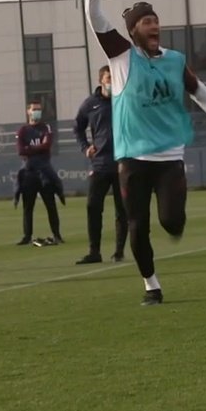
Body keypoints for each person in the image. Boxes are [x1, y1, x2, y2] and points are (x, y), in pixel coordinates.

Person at [87, 0, 206, 306]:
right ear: (134, 30)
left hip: (169, 156)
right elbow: (94, 16)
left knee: (172, 223)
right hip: (132, 158)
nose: (154, 26)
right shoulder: (121, 58)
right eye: (146, 22)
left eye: (156, 20)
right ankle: (151, 285)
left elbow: (198, 90)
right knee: (138, 227)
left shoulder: (172, 59)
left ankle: (172, 225)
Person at [72, 65, 128, 264]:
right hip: (100, 163)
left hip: (123, 163)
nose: (112, 81)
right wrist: (85, 147)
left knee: (122, 209)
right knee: (93, 206)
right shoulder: (90, 104)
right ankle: (94, 251)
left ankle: (119, 250)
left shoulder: (124, 98)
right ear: (101, 81)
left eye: (114, 77)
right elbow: (78, 127)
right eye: (108, 77)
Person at [14, 100, 65, 246]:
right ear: (28, 112)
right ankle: (27, 236)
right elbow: (20, 151)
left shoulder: (45, 128)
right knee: (28, 207)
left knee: (51, 205)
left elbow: (47, 145)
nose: (37, 112)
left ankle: (57, 235)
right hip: (29, 173)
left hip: (44, 172)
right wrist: (37, 148)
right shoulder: (23, 130)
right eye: (34, 109)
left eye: (39, 109)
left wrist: (29, 149)